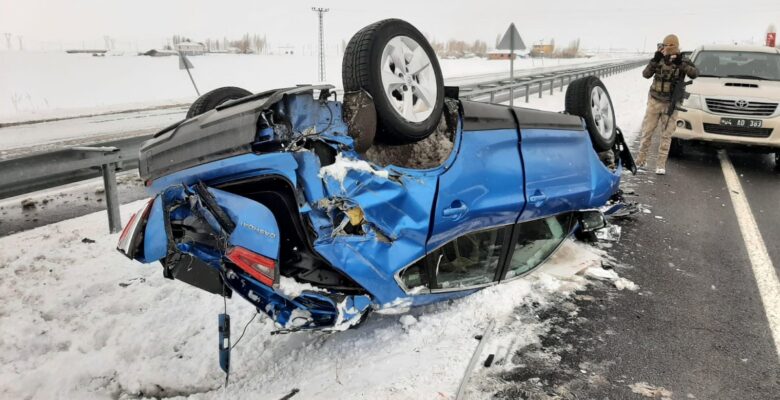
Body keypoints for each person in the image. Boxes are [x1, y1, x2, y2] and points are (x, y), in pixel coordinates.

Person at [635, 34, 699, 175]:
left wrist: (680, 63)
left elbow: (694, 73)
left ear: (677, 46)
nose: (669, 48)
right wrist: (655, 60)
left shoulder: (683, 60)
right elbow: (645, 74)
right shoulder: (658, 59)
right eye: (666, 45)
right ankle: (640, 160)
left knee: (666, 135)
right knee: (647, 132)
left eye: (672, 46)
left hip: (671, 103)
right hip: (655, 100)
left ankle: (661, 164)